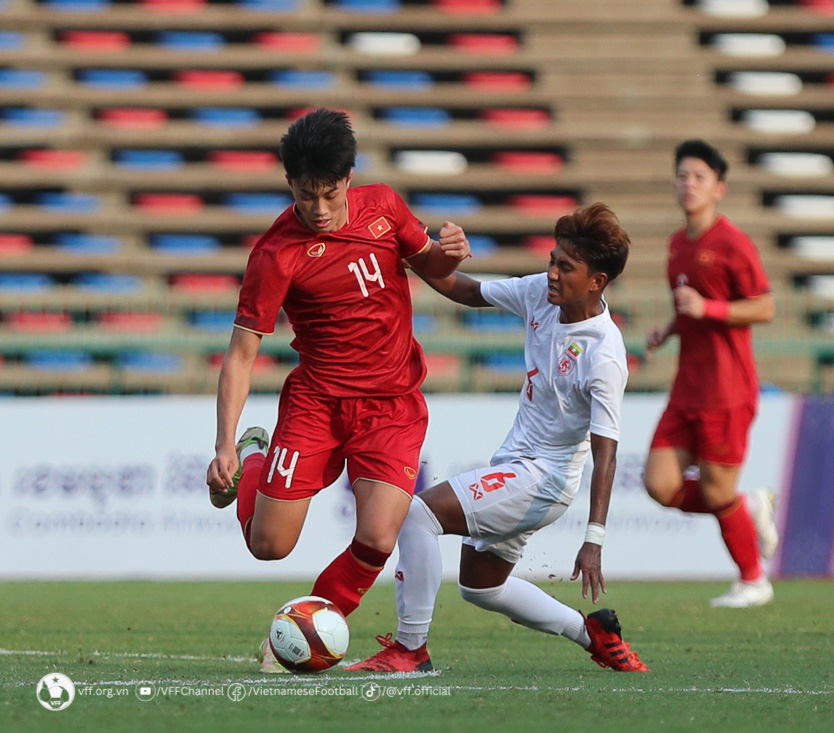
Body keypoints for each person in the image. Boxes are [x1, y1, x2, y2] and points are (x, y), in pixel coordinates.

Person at [204, 108, 472, 668]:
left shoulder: (386, 208)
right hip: (317, 406)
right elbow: (242, 354)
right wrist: (225, 443)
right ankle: (255, 456)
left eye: (329, 194)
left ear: (349, 178)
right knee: (269, 546)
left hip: (391, 406)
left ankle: (301, 639)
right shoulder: (275, 254)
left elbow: (442, 276)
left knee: (377, 538)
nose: (320, 209)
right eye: (306, 196)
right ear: (289, 184)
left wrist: (466, 262)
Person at [345, 203, 648, 674]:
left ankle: (410, 649)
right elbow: (466, 290)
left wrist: (594, 539)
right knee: (482, 587)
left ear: (597, 281)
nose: (552, 273)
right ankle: (593, 633)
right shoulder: (541, 293)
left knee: (417, 515)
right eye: (552, 260)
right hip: (514, 464)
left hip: (543, 480)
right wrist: (412, 253)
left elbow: (606, 452)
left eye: (566, 267)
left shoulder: (604, 354)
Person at [643, 139, 778, 608]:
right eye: (682, 176)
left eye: (699, 177)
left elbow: (765, 307)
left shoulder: (733, 243)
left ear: (719, 188)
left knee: (719, 490)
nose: (689, 184)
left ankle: (754, 580)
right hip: (687, 388)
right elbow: (691, 308)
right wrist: (668, 330)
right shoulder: (678, 244)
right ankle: (749, 506)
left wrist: (710, 308)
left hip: (727, 388)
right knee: (660, 484)